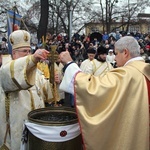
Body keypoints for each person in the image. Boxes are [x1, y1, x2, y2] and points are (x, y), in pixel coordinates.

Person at [59, 36, 150, 150]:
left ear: (125, 52)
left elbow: (92, 88)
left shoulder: (127, 74)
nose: (114, 58)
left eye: (116, 54)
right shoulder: (146, 70)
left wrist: (69, 63)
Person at [0, 30, 57, 150]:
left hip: (37, 124)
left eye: (29, 51)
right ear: (14, 53)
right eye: (24, 51)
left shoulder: (35, 70)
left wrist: (53, 80)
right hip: (18, 124)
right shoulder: (6, 69)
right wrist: (32, 58)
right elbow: (13, 75)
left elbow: (46, 94)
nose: (28, 54)